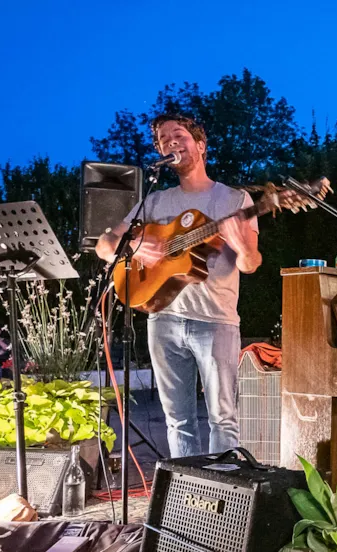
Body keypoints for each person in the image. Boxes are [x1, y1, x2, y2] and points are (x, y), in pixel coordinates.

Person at [95, 114, 262, 458]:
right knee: (178, 420)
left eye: (178, 134)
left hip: (215, 321)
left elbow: (250, 265)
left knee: (222, 418)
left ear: (200, 145)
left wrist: (242, 245)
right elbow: (104, 245)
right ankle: (185, 500)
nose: (169, 141)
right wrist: (136, 246)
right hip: (162, 320)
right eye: (162, 138)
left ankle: (224, 497)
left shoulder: (234, 200)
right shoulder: (155, 202)